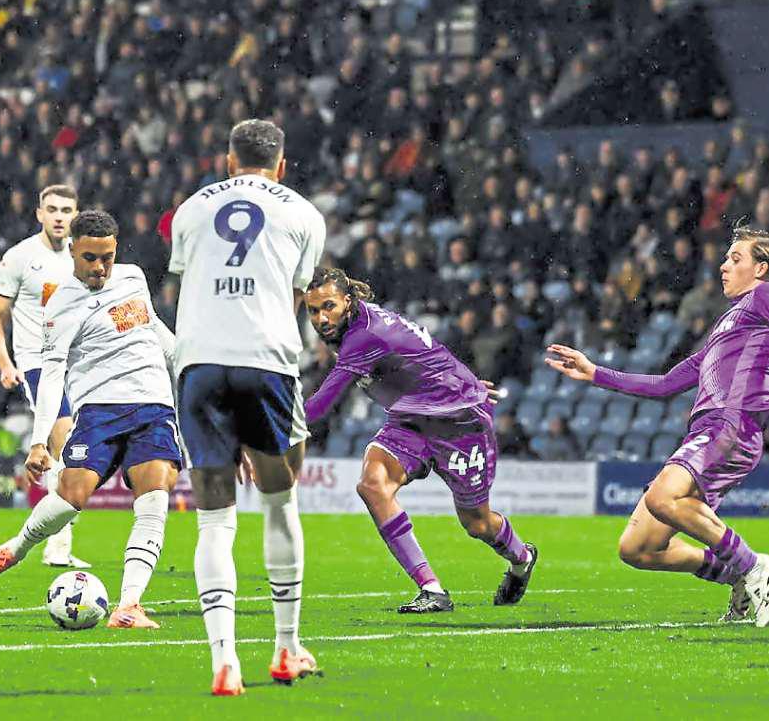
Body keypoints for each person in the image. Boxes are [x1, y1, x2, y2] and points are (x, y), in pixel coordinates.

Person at [0, 211, 182, 630]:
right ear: (73, 252)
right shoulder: (61, 302)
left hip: (154, 405)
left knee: (155, 495)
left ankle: (129, 605)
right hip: (99, 409)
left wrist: (189, 364)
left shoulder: (134, 277)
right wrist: (38, 441)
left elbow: (153, 327)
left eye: (107, 257)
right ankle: (15, 549)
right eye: (90, 258)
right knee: (72, 496)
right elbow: (52, 371)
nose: (100, 267)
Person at [545, 224, 769, 628]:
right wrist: (595, 372)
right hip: (713, 432)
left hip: (729, 425)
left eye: (735, 259)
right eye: (725, 257)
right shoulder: (726, 328)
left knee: (661, 497)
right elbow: (665, 384)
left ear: (761, 269)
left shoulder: (761, 299)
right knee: (637, 548)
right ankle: (738, 573)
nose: (723, 266)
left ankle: (754, 568)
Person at [169, 119, 326, 696]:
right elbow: (290, 295)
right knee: (280, 501)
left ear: (229, 161)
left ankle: (224, 662)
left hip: (201, 362)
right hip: (267, 362)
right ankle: (286, 648)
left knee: (214, 517)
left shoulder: (190, 209)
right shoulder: (306, 213)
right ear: (281, 165)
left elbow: (188, 283)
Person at [302, 267, 538, 615]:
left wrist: (255, 423)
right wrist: (464, 380)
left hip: (459, 425)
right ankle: (432, 589)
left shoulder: (363, 337)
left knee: (477, 523)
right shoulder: (356, 324)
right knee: (372, 485)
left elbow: (317, 408)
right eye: (313, 310)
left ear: (348, 302)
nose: (321, 318)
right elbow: (425, 350)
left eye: (329, 307)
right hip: (410, 421)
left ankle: (522, 558)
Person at [0, 184, 90, 569]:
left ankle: (57, 534)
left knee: (81, 448)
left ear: (76, 214)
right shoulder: (20, 258)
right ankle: (57, 545)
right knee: (64, 441)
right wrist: (5, 364)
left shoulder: (83, 255)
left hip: (80, 362)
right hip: (38, 362)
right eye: (53, 209)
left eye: (67, 209)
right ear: (39, 214)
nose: (60, 216)